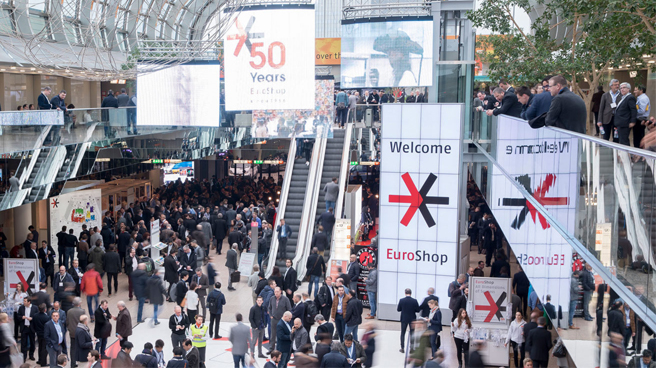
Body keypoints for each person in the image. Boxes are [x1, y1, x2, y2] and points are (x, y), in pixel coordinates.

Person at [268, 286, 291, 353]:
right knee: (273, 335)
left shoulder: (285, 299)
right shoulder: (272, 298)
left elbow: (289, 309)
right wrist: (270, 315)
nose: (276, 293)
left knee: (280, 335)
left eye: (277, 291)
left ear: (280, 291)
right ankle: (271, 348)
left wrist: (286, 318)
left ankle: (279, 349)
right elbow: (269, 308)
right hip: (274, 319)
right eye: (275, 291)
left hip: (282, 320)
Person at [397, 288, 419, 353]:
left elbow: (398, 309)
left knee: (403, 333)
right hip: (412, 319)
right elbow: (418, 310)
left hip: (404, 318)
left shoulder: (401, 300)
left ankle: (402, 348)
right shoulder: (414, 301)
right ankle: (411, 348)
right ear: (411, 293)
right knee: (412, 334)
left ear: (405, 293)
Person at [18, 296, 37, 361]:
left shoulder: (35, 308)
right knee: (23, 343)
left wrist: (32, 318)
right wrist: (21, 317)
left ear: (29, 302)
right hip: (24, 327)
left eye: (25, 301)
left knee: (32, 342)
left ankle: (31, 355)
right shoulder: (21, 308)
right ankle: (24, 356)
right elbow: (18, 316)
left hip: (31, 328)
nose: (23, 302)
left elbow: (37, 316)